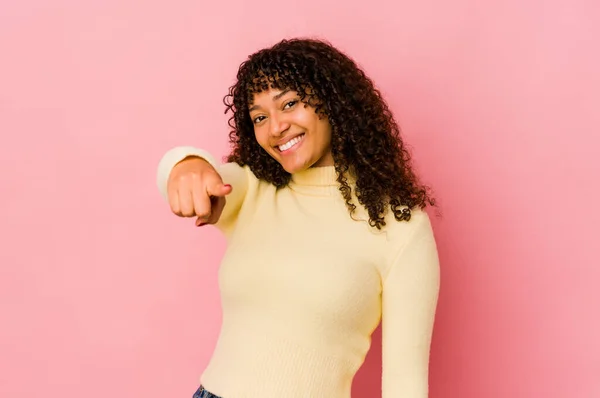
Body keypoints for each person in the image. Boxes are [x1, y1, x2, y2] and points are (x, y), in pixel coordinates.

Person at [156, 38, 440, 398]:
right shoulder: (253, 190)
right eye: (260, 117)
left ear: (333, 103)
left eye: (289, 104)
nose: (275, 128)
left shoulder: (401, 226)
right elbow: (191, 172)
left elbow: (405, 384)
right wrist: (186, 165)